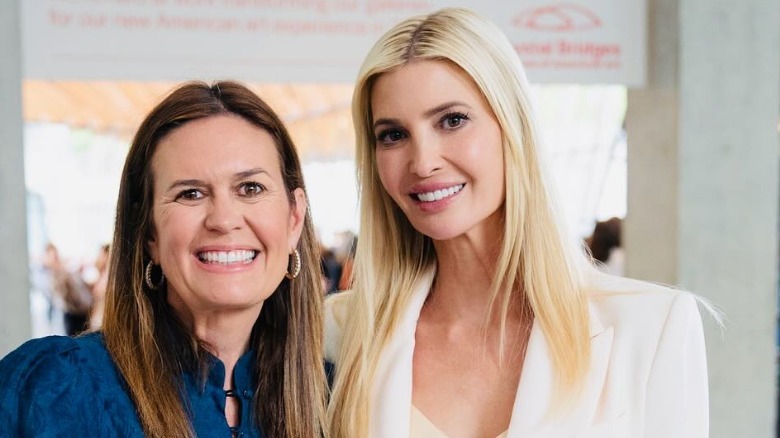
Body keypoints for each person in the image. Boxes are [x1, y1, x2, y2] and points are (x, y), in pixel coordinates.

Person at [325, 7, 710, 438]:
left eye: (452, 121)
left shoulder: (651, 328)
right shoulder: (338, 333)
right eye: (393, 135)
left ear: (513, 127)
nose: (423, 162)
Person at [0, 81, 327, 438]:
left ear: (294, 219)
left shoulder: (334, 397)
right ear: (149, 234)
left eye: (250, 188)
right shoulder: (59, 390)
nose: (223, 219)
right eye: (191, 193)